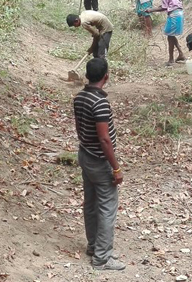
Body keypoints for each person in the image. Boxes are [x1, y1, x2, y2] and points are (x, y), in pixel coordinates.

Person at [73, 58, 125, 271]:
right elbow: (104, 139)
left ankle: (94, 246)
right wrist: (116, 167)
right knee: (106, 206)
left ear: (87, 75)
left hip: (85, 155)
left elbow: (80, 127)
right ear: (106, 76)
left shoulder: (80, 97)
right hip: (99, 160)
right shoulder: (100, 102)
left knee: (91, 203)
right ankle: (102, 258)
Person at [146, 0, 185, 65]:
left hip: (173, 14)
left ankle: (171, 59)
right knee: (170, 35)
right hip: (180, 13)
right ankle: (181, 54)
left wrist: (151, 10)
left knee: (169, 36)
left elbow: (164, 7)